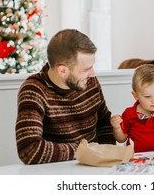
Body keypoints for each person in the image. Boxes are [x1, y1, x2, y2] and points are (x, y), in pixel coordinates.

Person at [15, 29, 115, 164]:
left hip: (93, 167)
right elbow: (29, 150)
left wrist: (107, 158)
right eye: (86, 69)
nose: (92, 74)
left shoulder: (89, 82)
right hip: (55, 171)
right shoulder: (33, 91)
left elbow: (104, 122)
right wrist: (83, 150)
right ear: (62, 70)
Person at [110, 64, 154, 152]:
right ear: (135, 95)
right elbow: (121, 139)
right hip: (135, 157)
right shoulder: (129, 113)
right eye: (147, 96)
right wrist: (116, 128)